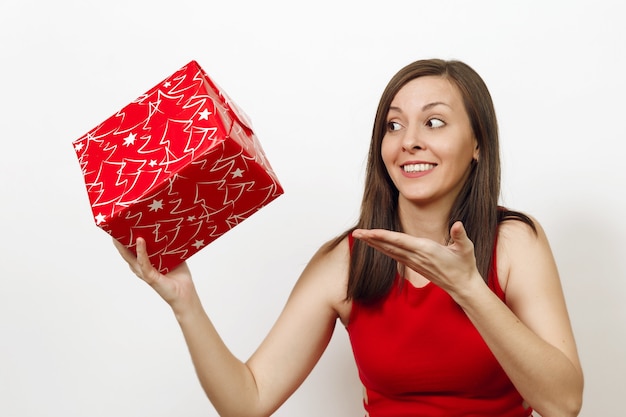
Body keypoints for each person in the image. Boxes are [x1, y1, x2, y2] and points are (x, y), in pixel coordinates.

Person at [115, 59, 584, 417]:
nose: (409, 141)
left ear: (478, 143)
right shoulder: (345, 261)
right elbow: (248, 400)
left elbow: (563, 404)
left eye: (434, 122)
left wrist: (468, 288)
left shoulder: (516, 243)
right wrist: (185, 302)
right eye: (393, 125)